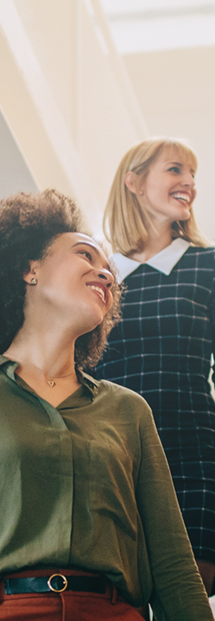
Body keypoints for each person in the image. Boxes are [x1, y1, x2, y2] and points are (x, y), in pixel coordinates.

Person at [0, 190, 212, 621]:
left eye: (108, 269)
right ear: (29, 269)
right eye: (85, 255)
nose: (106, 275)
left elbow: (172, 569)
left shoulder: (128, 411)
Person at [93, 137, 215, 597]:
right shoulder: (99, 275)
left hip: (193, 451)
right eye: (175, 170)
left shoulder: (208, 265)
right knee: (117, 594)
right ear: (134, 181)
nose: (189, 183)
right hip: (112, 456)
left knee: (188, 589)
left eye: (193, 176)